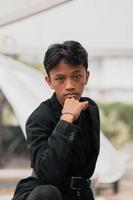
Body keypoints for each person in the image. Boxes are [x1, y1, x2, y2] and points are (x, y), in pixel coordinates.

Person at [12, 41, 100, 200]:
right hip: (42, 194)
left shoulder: (90, 109)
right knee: (48, 193)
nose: (70, 86)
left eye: (77, 76)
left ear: (87, 76)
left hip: (78, 193)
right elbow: (47, 176)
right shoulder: (38, 118)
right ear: (49, 81)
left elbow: (86, 169)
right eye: (60, 79)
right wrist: (66, 120)